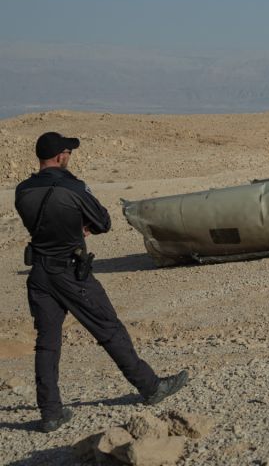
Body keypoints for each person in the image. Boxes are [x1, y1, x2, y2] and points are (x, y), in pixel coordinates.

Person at [15, 132, 188, 433]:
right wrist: (79, 227)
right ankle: (150, 387)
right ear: (60, 157)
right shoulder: (74, 187)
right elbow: (103, 223)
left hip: (40, 275)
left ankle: (51, 413)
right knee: (108, 328)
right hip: (70, 273)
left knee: (47, 344)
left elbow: (39, 224)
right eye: (68, 152)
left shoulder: (22, 190)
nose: (70, 156)